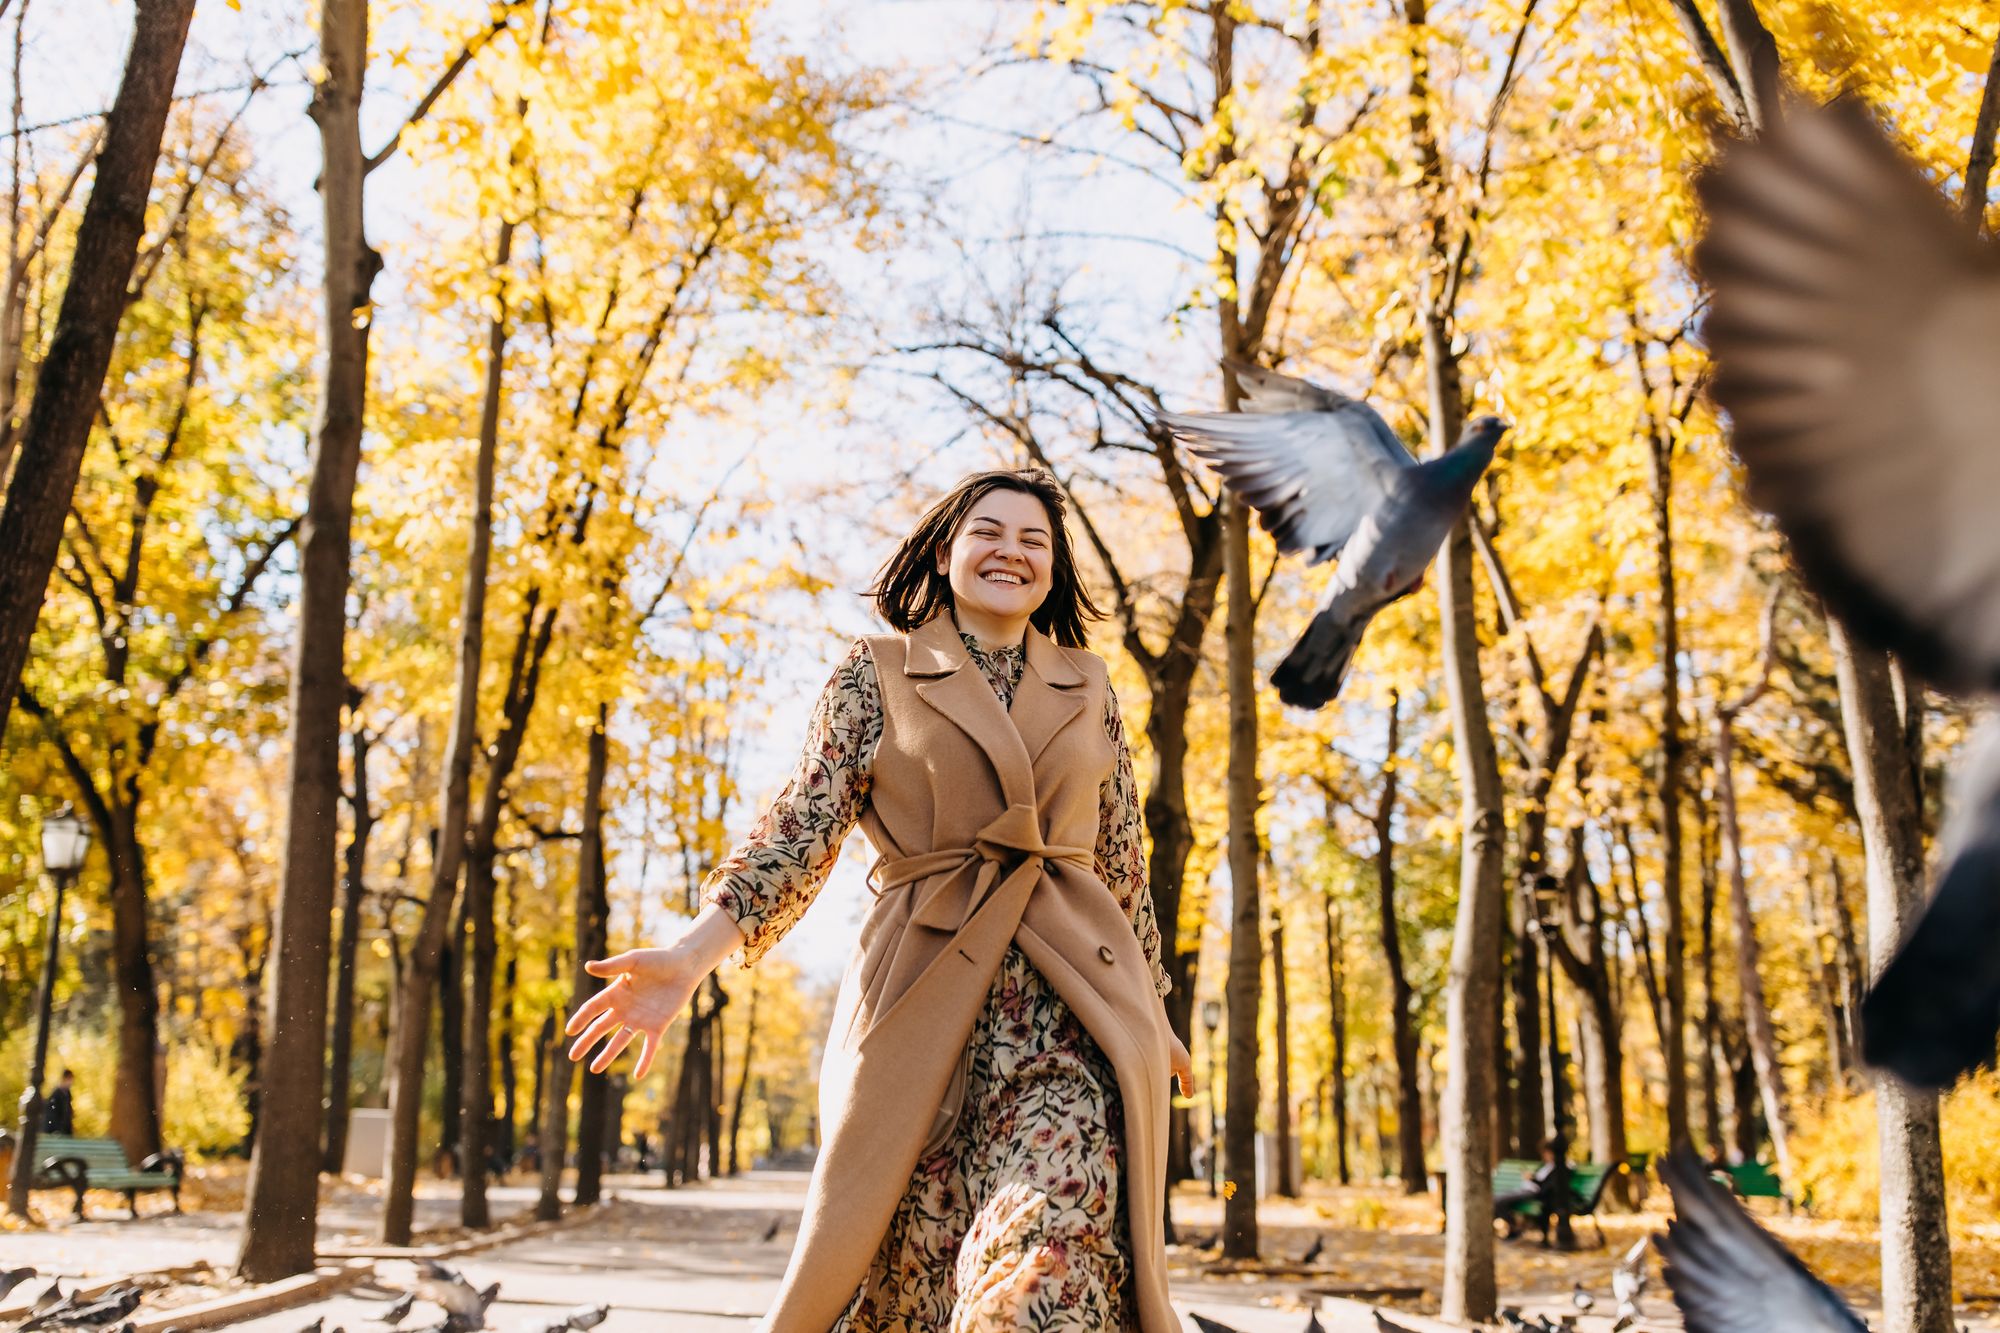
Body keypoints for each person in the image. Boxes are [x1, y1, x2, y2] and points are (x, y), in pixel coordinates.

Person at [565, 468, 1195, 1332]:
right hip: (918, 1001)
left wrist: (1152, 1010)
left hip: (1070, 1018)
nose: (1011, 551)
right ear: (945, 553)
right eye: (989, 532)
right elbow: (800, 828)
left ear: (1052, 569)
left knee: (1048, 1263)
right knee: (908, 1279)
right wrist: (688, 959)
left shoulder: (1088, 683)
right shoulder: (877, 673)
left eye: (1034, 540)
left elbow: (1122, 857)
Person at [1494, 1136, 1566, 1239]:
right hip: (1527, 1189)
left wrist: (1532, 1179)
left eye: (1546, 1152)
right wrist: (1530, 1177)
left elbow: (1545, 1186)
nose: (1544, 1155)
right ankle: (1514, 1228)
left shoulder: (1559, 1167)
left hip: (1534, 1192)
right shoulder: (1545, 1165)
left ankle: (1516, 1227)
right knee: (1496, 1198)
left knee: (1499, 1200)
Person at [43, 1070, 74, 1136]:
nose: (71, 1083)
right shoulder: (56, 1094)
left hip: (65, 1131)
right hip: (56, 1131)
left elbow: (67, 1113)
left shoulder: (67, 1094)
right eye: (69, 1080)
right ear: (64, 1079)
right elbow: (51, 1114)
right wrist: (56, 1129)